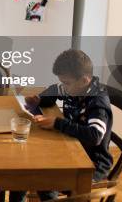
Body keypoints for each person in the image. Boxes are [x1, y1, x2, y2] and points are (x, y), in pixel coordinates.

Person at [9, 49, 113, 201]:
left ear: (84, 80)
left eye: (66, 83)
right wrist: (40, 99)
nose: (63, 87)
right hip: (69, 146)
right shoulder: (74, 88)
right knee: (24, 167)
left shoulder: (97, 103)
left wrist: (58, 123)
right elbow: (55, 89)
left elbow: (95, 136)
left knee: (45, 178)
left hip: (91, 162)